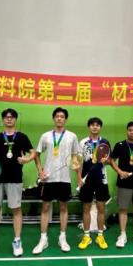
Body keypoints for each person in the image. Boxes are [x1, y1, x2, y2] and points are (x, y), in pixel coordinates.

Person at [0, 109, 36, 258]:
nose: (9, 119)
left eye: (11, 117)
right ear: (3, 120)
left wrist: (27, 159)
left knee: (16, 210)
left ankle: (17, 241)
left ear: (15, 119)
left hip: (15, 178)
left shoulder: (22, 137)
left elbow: (33, 152)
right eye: (6, 117)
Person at [32, 107, 80, 254]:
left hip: (64, 179)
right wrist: (40, 171)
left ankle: (62, 238)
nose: (59, 118)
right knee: (45, 207)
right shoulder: (46, 136)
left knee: (64, 207)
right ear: (54, 119)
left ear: (65, 119)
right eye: (57, 116)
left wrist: (78, 176)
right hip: (48, 179)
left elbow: (75, 157)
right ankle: (43, 239)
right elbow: (36, 154)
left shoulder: (72, 136)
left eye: (62, 116)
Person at [77, 117, 111, 250]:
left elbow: (109, 161)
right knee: (86, 208)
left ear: (100, 127)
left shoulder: (105, 142)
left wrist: (106, 160)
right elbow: (79, 162)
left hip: (101, 179)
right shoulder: (83, 142)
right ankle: (86, 236)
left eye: (97, 125)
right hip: (87, 180)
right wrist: (79, 178)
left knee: (101, 207)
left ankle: (100, 235)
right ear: (89, 127)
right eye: (92, 125)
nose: (95, 127)